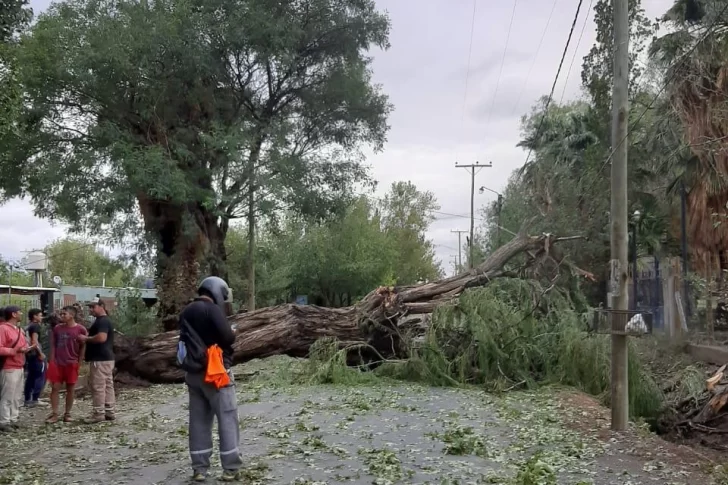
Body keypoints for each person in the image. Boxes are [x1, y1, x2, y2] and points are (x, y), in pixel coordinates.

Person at [179, 276, 242, 482]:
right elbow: (227, 337)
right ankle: (230, 468)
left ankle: (199, 469)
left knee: (198, 421)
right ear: (216, 291)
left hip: (193, 374)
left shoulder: (187, 311)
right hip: (215, 374)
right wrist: (233, 330)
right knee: (227, 417)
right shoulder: (212, 309)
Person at [76, 297, 115, 423]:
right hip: (107, 358)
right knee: (108, 385)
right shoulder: (103, 321)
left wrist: (86, 338)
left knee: (98, 386)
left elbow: (101, 338)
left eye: (93, 307)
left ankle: (98, 413)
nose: (91, 310)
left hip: (100, 358)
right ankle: (109, 410)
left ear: (101, 306)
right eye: (90, 307)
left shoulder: (102, 321)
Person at [46, 306, 87, 423]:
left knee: (71, 388)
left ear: (72, 315)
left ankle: (67, 413)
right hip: (58, 363)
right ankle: (54, 413)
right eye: (61, 314)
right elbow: (53, 344)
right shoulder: (57, 329)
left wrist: (80, 361)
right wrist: (52, 360)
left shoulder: (81, 329)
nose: (62, 316)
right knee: (55, 388)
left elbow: (83, 346)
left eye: (64, 314)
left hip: (72, 362)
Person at [0, 306, 33, 432]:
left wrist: (27, 348)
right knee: (7, 395)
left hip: (19, 365)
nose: (21, 313)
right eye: (19, 312)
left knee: (17, 395)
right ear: (13, 314)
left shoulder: (19, 329)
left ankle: (13, 418)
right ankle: (4, 420)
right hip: (9, 366)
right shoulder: (3, 329)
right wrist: (14, 350)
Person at [24, 308, 48, 408]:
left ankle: (28, 398)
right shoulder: (36, 326)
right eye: (40, 315)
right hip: (35, 354)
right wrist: (40, 353)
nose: (41, 317)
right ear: (35, 316)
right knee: (40, 376)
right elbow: (34, 341)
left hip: (29, 355)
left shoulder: (28, 325)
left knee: (30, 376)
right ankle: (35, 399)